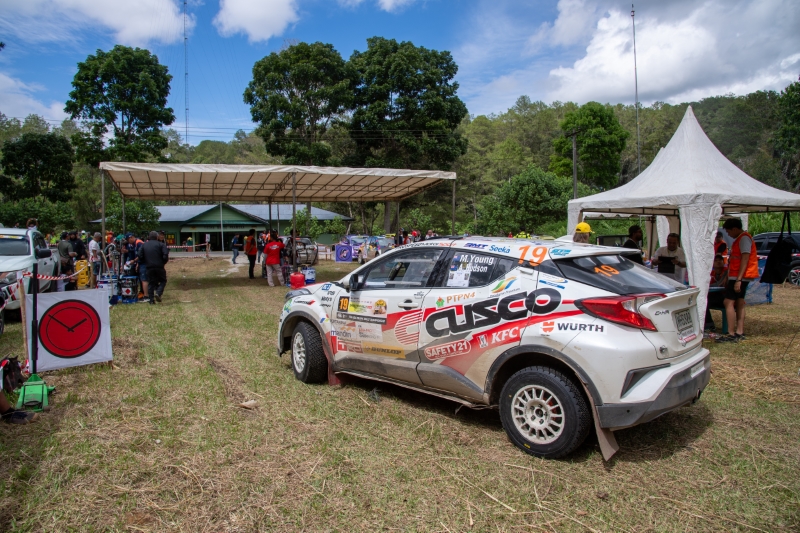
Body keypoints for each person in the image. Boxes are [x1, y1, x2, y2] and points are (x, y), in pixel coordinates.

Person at [718, 218, 758, 343]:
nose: (728, 234)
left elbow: (745, 259)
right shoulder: (741, 238)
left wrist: (738, 280)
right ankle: (739, 331)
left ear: (735, 229)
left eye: (729, 231)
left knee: (728, 302)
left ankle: (731, 333)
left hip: (739, 277)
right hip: (738, 276)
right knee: (739, 302)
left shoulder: (744, 239)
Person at [138, 231, 169, 304]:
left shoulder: (144, 245)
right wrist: (163, 262)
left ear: (149, 237)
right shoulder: (161, 245)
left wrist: (145, 261)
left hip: (149, 266)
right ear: (157, 237)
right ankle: (158, 292)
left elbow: (139, 255)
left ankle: (151, 300)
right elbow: (165, 255)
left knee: (151, 283)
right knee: (163, 280)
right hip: (159, 266)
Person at [704, 254, 729, 331]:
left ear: (723, 262)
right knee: (703, 300)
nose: (718, 262)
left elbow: (720, 284)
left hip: (726, 297)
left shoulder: (726, 272)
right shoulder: (711, 273)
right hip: (716, 296)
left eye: (720, 260)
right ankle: (708, 324)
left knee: (705, 301)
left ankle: (709, 325)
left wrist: (707, 285)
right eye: (716, 260)